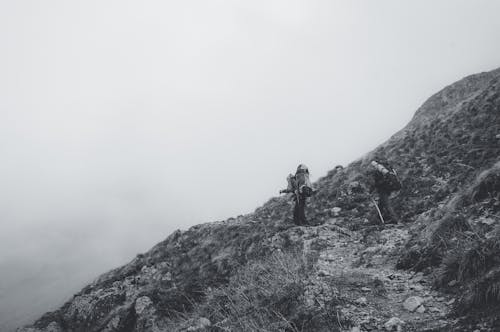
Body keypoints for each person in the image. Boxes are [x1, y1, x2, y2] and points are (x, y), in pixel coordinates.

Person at [367, 158, 401, 224]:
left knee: (387, 204)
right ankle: (378, 218)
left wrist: (370, 192)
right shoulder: (386, 168)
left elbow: (374, 184)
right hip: (389, 188)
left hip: (383, 189)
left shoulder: (377, 172)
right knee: (381, 203)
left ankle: (394, 219)